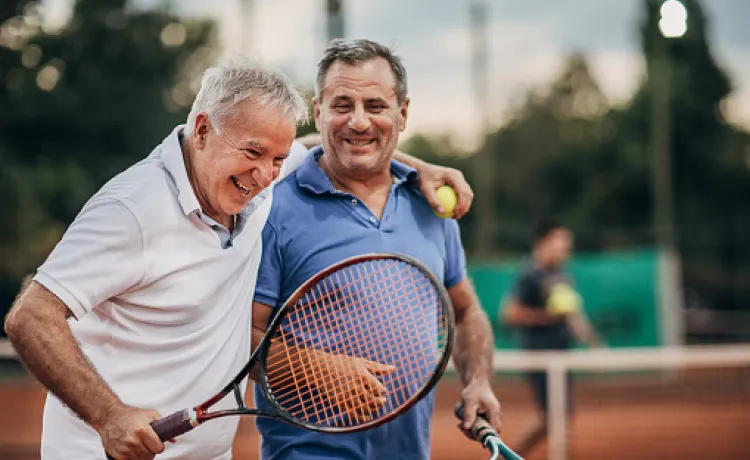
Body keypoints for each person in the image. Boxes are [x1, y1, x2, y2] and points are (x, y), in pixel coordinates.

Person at [3, 56, 476, 460]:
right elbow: (31, 317)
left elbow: (323, 149)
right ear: (203, 129)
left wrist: (422, 166)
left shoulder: (252, 186)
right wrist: (110, 415)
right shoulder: (132, 210)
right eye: (253, 153)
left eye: (277, 158)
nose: (266, 173)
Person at [251, 38, 501, 460]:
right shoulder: (272, 209)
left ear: (402, 114)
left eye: (376, 106)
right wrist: (317, 371)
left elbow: (465, 311)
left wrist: (477, 379)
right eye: (343, 105)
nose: (359, 122)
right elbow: (241, 338)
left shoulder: (433, 205)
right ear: (319, 112)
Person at [500, 220, 603, 456]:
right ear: (542, 243)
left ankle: (510, 455)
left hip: (562, 354)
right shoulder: (529, 274)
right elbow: (511, 314)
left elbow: (572, 315)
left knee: (555, 417)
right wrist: (548, 316)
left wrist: (591, 340)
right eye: (559, 242)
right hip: (540, 355)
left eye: (567, 243)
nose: (565, 248)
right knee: (556, 417)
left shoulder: (561, 275)